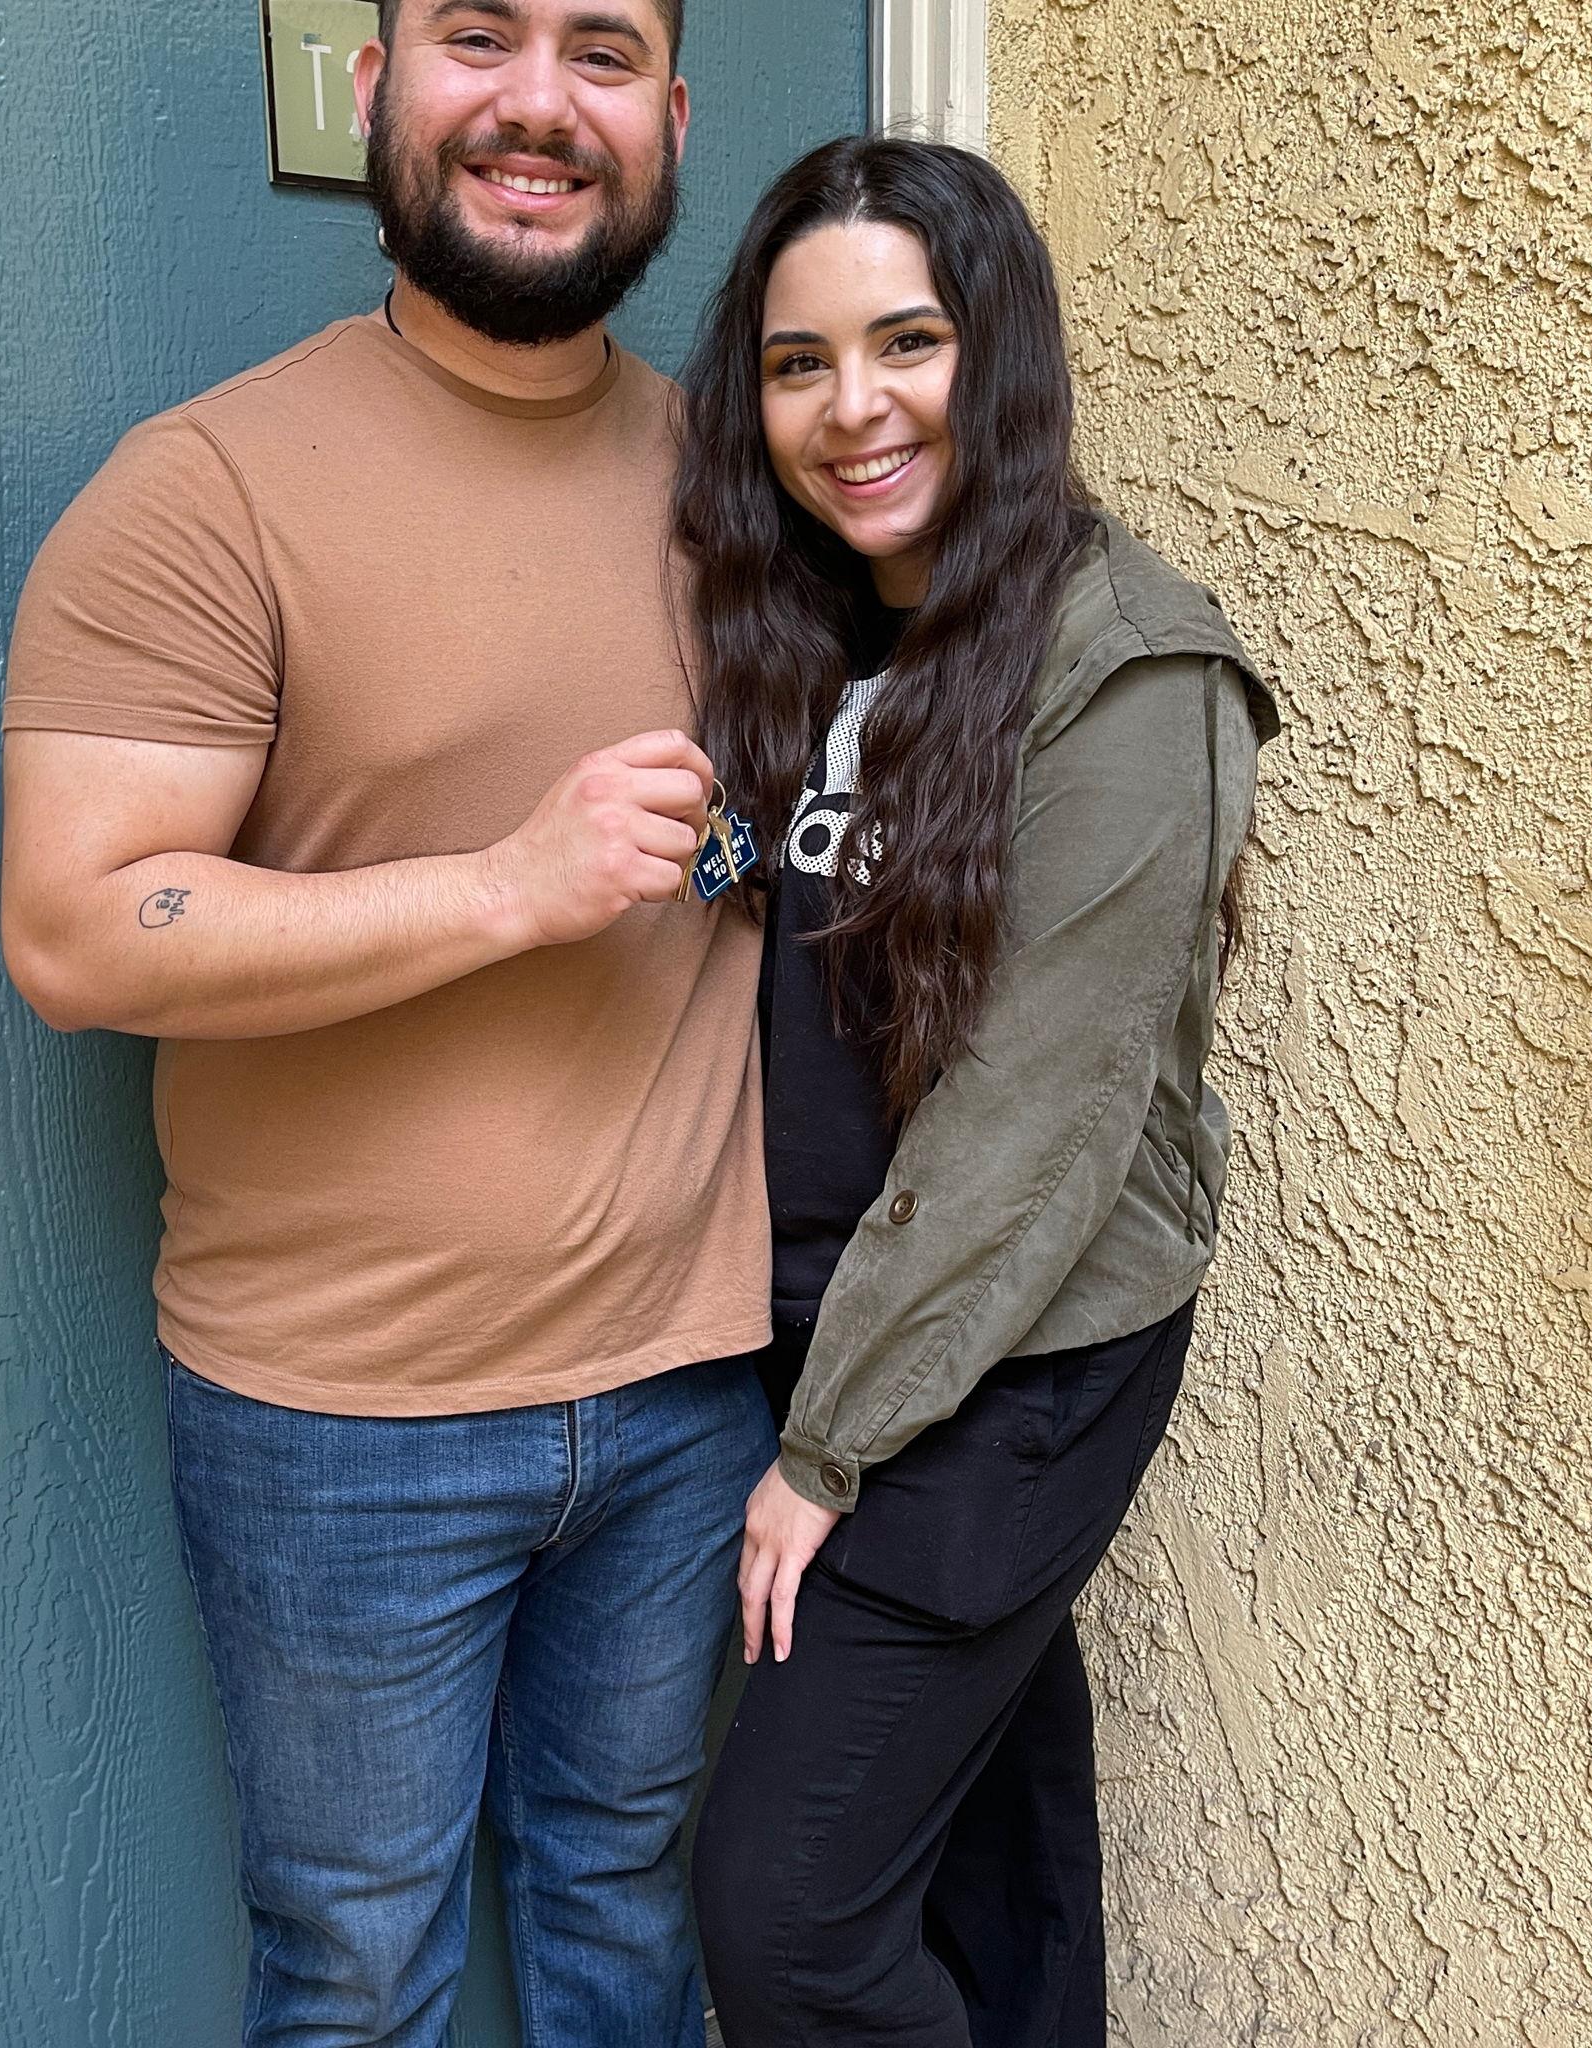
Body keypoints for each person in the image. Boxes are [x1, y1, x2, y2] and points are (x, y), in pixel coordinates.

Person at [0, 5, 777, 2044]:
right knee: (355, 1964)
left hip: (694, 1383)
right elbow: (77, 930)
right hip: (338, 1419)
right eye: (478, 36)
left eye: (601, 51)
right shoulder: (206, 493)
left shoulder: (751, 482)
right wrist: (508, 888)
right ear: (373, 89)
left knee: (628, 1901)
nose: (538, 102)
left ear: (671, 118)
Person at [674, 136, 1280, 2047]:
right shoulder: (819, 623)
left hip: (1001, 1363)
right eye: (799, 363)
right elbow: (775, 940)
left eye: (908, 343)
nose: (852, 408)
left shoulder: (1133, 670)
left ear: (1000, 351)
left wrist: (823, 1456)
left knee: (786, 1914)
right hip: (834, 1319)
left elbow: (1034, 1131)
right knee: (989, 1848)